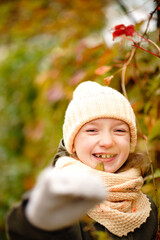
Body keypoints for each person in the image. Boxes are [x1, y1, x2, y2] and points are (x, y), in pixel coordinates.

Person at [6, 81, 158, 240]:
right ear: (73, 143)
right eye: (92, 130)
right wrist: (34, 222)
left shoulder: (146, 208)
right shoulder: (60, 200)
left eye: (119, 130)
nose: (107, 141)